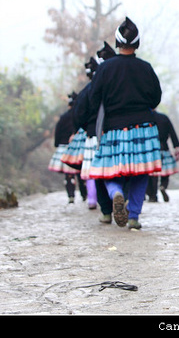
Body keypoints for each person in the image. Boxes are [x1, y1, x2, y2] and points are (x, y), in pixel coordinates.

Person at [83, 17, 163, 230]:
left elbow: (94, 99)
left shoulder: (105, 69)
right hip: (143, 128)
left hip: (113, 128)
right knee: (141, 172)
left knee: (107, 169)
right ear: (137, 44)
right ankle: (134, 216)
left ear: (117, 43)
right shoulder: (146, 68)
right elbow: (156, 99)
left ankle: (115, 193)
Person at [74, 42, 117, 222]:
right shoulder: (116, 85)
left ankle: (102, 207)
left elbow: (78, 114)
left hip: (94, 136)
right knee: (117, 169)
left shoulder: (87, 91)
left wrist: (87, 129)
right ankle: (118, 195)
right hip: (115, 131)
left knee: (97, 172)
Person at [48, 92, 84, 204]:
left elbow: (58, 132)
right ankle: (84, 194)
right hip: (78, 147)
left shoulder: (64, 117)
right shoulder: (81, 115)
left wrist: (57, 143)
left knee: (68, 173)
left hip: (65, 147)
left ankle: (71, 195)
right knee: (80, 172)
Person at [146, 110, 179, 203]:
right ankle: (163, 186)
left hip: (151, 149)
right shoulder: (163, 118)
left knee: (153, 174)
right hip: (164, 148)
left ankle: (153, 195)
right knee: (166, 171)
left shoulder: (145, 118)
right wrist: (176, 146)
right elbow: (172, 133)